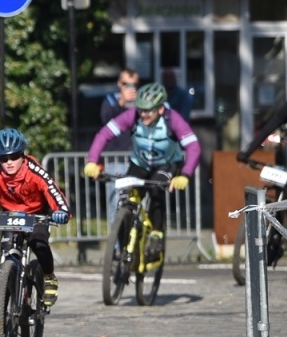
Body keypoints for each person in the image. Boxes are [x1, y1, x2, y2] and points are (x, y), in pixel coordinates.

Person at [83, 81, 200, 266]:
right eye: (141, 110)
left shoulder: (173, 119)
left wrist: (185, 174)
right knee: (128, 199)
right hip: (140, 163)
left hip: (167, 164)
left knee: (156, 190)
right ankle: (123, 247)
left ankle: (156, 234)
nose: (143, 114)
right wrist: (92, 161)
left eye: (149, 111)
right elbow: (103, 134)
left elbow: (193, 147)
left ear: (160, 109)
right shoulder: (132, 115)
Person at [0, 128, 72, 317]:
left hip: (37, 214)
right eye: (3, 159)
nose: (9, 163)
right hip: (11, 216)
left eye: (14, 157)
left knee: (39, 243)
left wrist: (61, 211)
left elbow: (53, 192)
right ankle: (1, 318)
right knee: (5, 263)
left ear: (23, 155)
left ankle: (48, 277)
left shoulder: (35, 171)